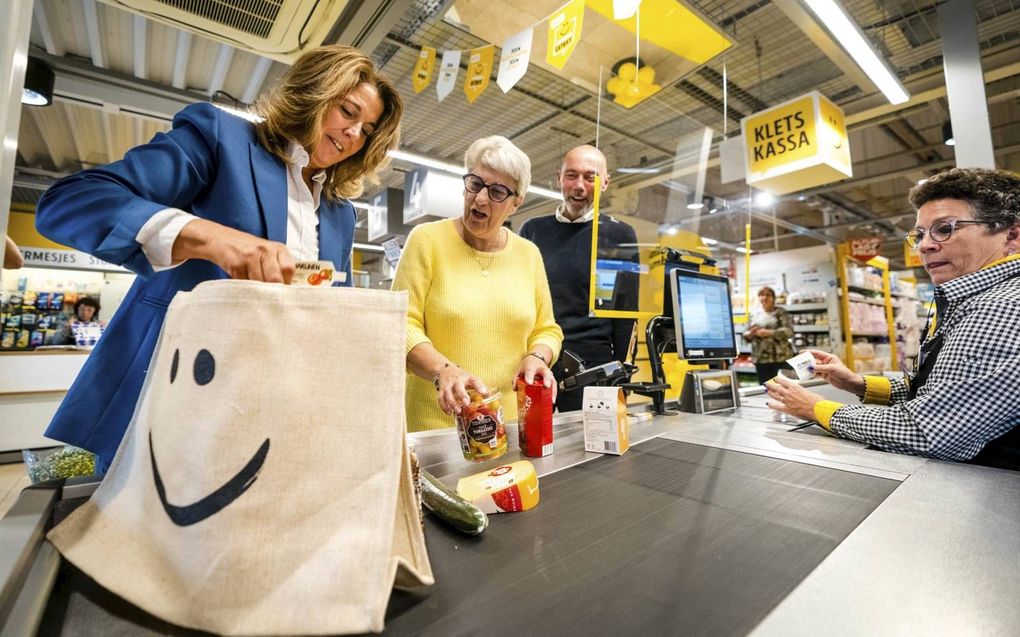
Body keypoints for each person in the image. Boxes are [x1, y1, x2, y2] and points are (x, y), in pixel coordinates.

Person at [34, 45, 403, 469]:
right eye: (348, 111)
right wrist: (211, 238)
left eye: (368, 129)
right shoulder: (221, 139)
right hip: (172, 404)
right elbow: (71, 201)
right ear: (314, 93)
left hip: (274, 418)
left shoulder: (340, 215)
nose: (355, 133)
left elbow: (336, 316)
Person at [766, 167, 1020, 470]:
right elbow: (941, 389)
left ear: (1012, 235)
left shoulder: (1003, 307)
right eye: (921, 233)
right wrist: (858, 384)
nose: (926, 245)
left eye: (945, 228)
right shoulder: (969, 300)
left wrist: (816, 408)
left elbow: (928, 430)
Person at [392, 135, 563, 430]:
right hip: (437, 425)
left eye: (497, 192)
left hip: (507, 425)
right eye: (475, 184)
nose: (480, 199)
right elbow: (401, 323)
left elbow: (546, 329)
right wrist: (443, 370)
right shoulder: (426, 240)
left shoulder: (528, 254)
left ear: (516, 203)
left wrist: (538, 356)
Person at [518, 145, 637, 412]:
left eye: (590, 177)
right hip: (538, 360)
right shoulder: (532, 231)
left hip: (593, 368)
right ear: (558, 177)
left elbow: (624, 314)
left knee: (589, 448)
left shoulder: (619, 236)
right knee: (533, 446)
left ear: (605, 182)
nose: (580, 186)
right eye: (571, 175)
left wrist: (620, 378)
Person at [744, 286, 794, 384]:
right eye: (762, 295)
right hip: (761, 358)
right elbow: (745, 333)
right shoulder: (754, 314)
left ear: (773, 298)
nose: (765, 298)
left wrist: (769, 333)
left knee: (783, 387)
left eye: (768, 295)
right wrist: (750, 333)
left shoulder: (780, 312)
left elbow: (789, 331)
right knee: (765, 388)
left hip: (780, 357)